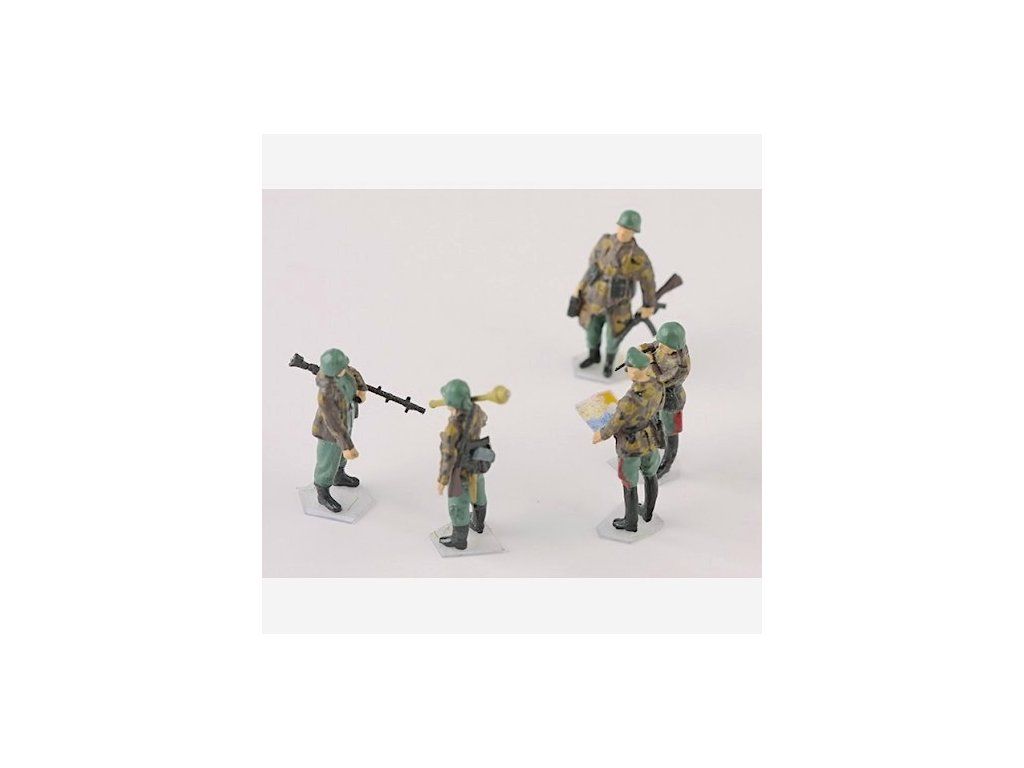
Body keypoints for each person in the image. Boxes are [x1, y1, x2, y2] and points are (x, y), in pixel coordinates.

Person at [570, 210, 657, 377]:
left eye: (628, 230)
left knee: (613, 337)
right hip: (594, 299)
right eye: (622, 227)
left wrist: (649, 305)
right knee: (591, 331)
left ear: (634, 232)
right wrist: (580, 286)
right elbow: (592, 265)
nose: (623, 232)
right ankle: (593, 356)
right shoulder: (605, 242)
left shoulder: (638, 255)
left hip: (618, 305)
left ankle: (609, 363)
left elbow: (648, 280)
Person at [592, 347, 665, 531]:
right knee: (650, 474)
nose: (627, 371)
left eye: (628, 368)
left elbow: (615, 423)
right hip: (650, 438)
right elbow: (659, 407)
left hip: (631, 445)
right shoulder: (658, 386)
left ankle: (630, 521)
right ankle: (647, 511)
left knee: (629, 481)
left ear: (634, 371)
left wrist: (601, 434)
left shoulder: (628, 401)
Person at [310, 348, 367, 512]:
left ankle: (339, 475)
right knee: (328, 459)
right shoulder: (326, 393)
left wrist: (361, 389)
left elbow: (354, 372)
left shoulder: (344, 371)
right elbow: (333, 423)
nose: (346, 368)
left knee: (340, 457)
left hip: (347, 418)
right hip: (330, 431)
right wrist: (347, 446)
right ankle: (322, 491)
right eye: (342, 366)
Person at [435, 379, 489, 549]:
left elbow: (448, 456)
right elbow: (484, 420)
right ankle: (478, 523)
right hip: (477, 462)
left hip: (460, 471)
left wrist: (442, 480)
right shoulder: (477, 411)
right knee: (479, 494)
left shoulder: (453, 427)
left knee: (457, 504)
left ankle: (459, 539)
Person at [638, 321, 690, 477]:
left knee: (671, 432)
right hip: (656, 396)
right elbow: (655, 345)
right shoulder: (663, 345)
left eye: (664, 345)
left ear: (675, 347)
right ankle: (657, 447)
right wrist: (646, 347)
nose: (660, 347)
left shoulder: (681, 366)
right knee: (654, 423)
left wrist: (650, 361)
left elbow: (660, 380)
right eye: (660, 342)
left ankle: (667, 463)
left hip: (671, 401)